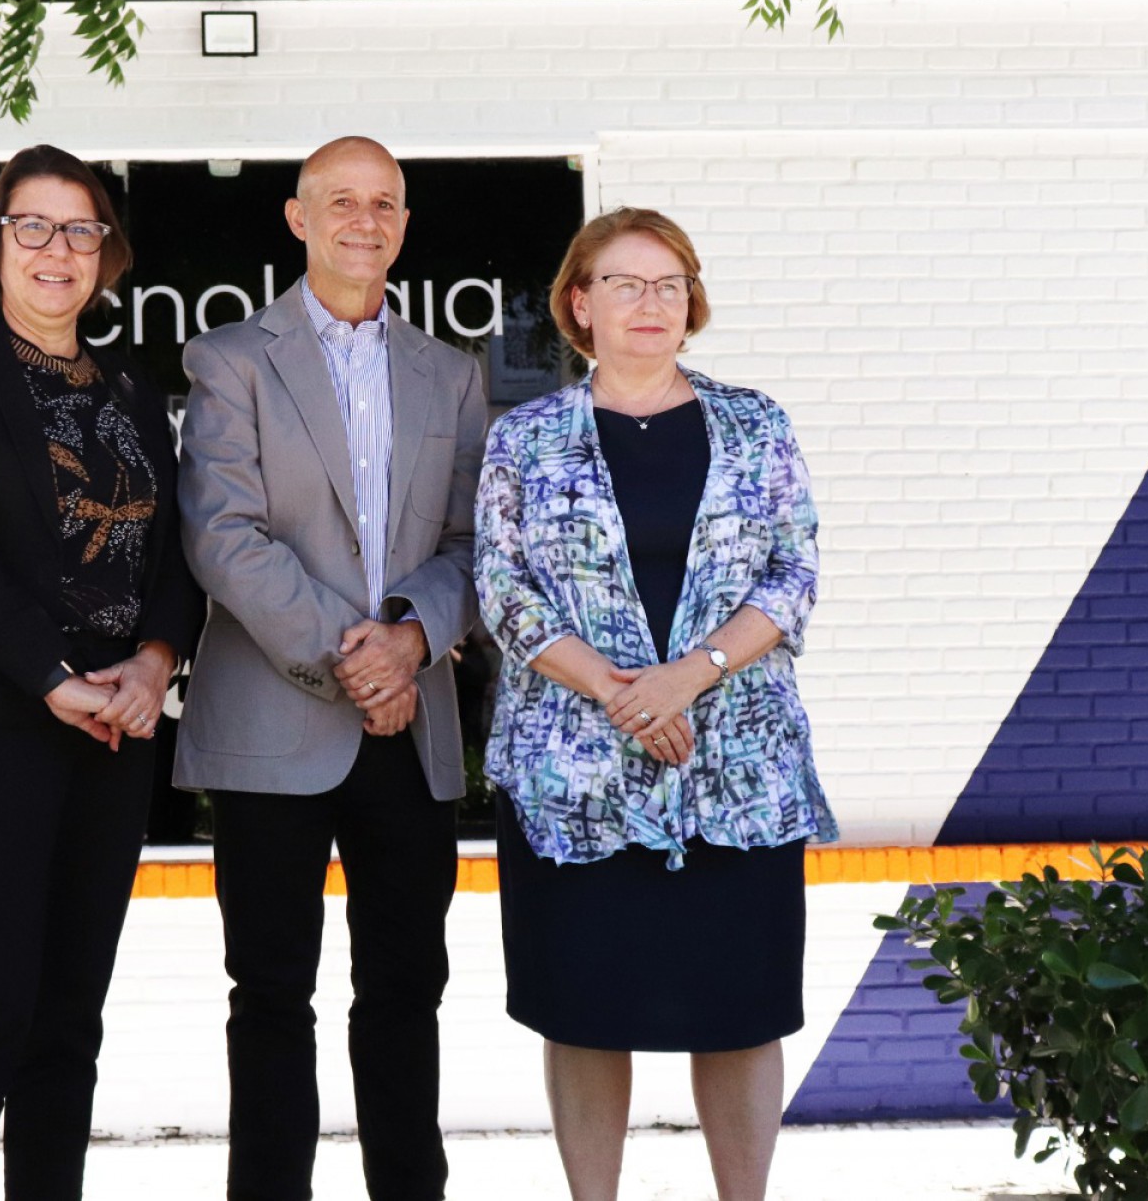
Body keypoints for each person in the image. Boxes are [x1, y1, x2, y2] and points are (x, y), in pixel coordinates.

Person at [475, 207, 838, 1201]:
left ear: (693, 300)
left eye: (668, 282)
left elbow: (792, 574)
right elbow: (504, 593)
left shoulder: (757, 424)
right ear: (579, 302)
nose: (649, 302)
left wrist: (692, 674)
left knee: (741, 1007)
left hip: (738, 773)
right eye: (624, 283)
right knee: (584, 1010)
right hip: (574, 783)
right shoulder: (528, 438)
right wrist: (623, 692)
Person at [0, 144, 203, 1201]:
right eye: (34, 227)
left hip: (111, 736)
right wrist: (53, 675)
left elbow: (175, 553)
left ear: (107, 253)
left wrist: (153, 663)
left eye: (81, 229)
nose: (58, 249)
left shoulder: (132, 389)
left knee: (68, 1021)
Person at [174, 136, 487, 1201]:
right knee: (269, 998)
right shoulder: (229, 360)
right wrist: (353, 659)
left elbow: (472, 545)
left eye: (386, 204)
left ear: (404, 224)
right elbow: (224, 536)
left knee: (406, 993)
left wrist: (409, 637)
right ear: (298, 218)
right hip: (274, 724)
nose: (366, 220)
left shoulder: (451, 373)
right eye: (341, 201)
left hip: (413, 725)